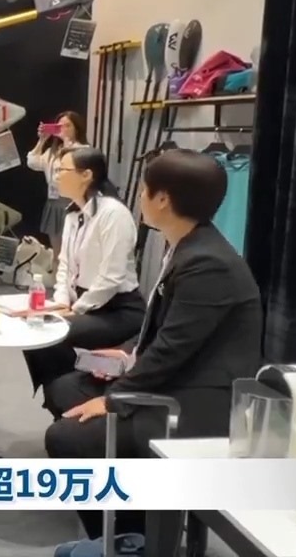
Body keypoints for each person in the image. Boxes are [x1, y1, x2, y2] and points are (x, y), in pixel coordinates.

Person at [43, 149, 263, 553]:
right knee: (65, 389)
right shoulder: (188, 246)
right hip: (177, 378)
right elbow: (166, 332)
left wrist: (114, 399)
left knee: (67, 437)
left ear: (163, 198)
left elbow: (173, 350)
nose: (140, 198)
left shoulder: (208, 263)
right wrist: (128, 356)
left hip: (198, 402)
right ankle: (127, 519)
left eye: (144, 190)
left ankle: (136, 538)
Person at [22, 147, 144, 406]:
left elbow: (111, 278)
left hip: (119, 310)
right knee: (34, 330)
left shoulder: (113, 214)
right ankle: (63, 398)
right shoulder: (73, 214)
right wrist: (61, 301)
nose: (56, 175)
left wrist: (76, 309)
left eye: (62, 170)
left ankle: (69, 396)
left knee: (53, 333)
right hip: (85, 303)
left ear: (86, 175)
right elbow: (64, 264)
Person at [26, 111, 88, 253]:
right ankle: (56, 268)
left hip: (74, 203)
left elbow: (73, 167)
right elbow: (33, 162)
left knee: (74, 251)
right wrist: (42, 140)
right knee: (57, 252)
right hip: (54, 203)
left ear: (77, 128)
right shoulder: (53, 151)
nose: (63, 129)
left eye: (68, 125)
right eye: (59, 126)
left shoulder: (83, 150)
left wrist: (66, 142)